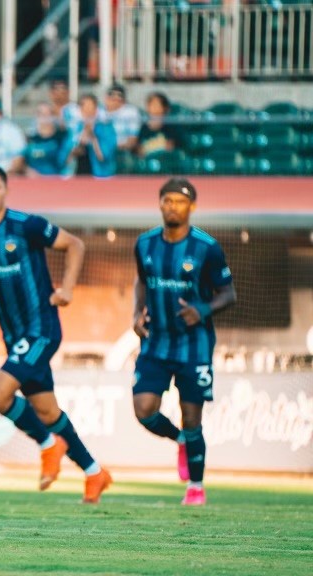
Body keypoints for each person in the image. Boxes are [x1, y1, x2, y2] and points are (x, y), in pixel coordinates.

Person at [0, 164, 112, 504]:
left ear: (5, 190)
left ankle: (47, 444)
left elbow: (75, 245)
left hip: (42, 328)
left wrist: (67, 289)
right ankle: (94, 472)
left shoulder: (27, 225)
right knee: (48, 412)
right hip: (13, 337)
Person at [131, 178, 236, 507]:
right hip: (156, 343)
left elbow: (229, 293)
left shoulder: (207, 247)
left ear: (191, 207)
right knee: (144, 410)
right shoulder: (145, 244)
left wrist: (202, 309)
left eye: (180, 201)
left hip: (195, 345)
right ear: (159, 203)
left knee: (192, 417)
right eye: (167, 200)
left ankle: (196, 486)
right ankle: (179, 440)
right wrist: (136, 313)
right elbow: (141, 281)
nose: (172, 206)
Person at [64, 94, 117, 178]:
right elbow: (64, 158)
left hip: (101, 176)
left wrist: (93, 139)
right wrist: (78, 146)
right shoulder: (76, 128)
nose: (88, 112)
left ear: (96, 109)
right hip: (76, 176)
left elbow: (104, 156)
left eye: (90, 108)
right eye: (84, 108)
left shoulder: (106, 128)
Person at [23, 104, 68, 177]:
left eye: (48, 114)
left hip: (56, 180)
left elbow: (65, 161)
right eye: (42, 114)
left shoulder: (61, 137)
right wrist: (27, 170)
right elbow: (23, 161)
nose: (45, 118)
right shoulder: (30, 139)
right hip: (33, 182)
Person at [136, 92, 179, 158]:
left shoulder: (170, 126)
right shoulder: (143, 127)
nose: (153, 108)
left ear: (164, 108)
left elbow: (171, 147)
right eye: (151, 104)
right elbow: (139, 149)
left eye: (156, 104)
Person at [104, 84, 142, 153]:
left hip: (122, 151)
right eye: (111, 95)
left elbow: (132, 140)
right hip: (101, 150)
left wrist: (116, 148)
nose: (114, 99)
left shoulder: (131, 112)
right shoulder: (100, 111)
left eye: (119, 96)